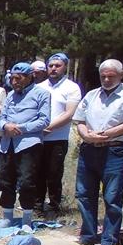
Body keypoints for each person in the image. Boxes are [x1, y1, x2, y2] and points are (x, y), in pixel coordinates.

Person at [72, 60, 123, 245]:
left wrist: (103, 135)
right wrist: (87, 135)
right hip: (89, 149)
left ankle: (108, 240)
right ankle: (88, 235)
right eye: (103, 76)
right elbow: (79, 120)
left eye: (110, 76)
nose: (106, 79)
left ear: (121, 75)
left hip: (114, 150)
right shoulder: (91, 95)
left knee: (112, 197)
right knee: (85, 194)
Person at [0, 62, 50, 230]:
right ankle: (7, 216)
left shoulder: (42, 94)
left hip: (28, 144)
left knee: (26, 181)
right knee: (6, 180)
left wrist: (20, 129)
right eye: (11, 78)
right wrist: (5, 126)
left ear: (29, 77)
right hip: (7, 144)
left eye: (18, 78)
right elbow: (1, 118)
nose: (14, 82)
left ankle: (27, 217)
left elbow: (44, 120)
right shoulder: (10, 95)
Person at [33, 53, 82, 218]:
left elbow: (69, 114)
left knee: (53, 174)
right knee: (37, 173)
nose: (53, 68)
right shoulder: (39, 87)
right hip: (38, 138)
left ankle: (54, 207)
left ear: (65, 67)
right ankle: (37, 206)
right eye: (50, 65)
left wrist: (49, 127)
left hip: (57, 138)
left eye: (57, 65)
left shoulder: (71, 87)